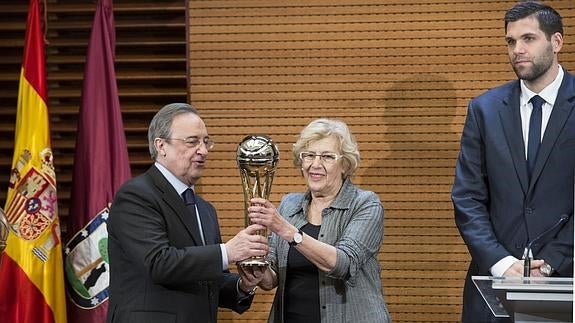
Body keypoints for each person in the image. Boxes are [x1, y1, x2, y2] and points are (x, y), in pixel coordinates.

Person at [451, 2, 574, 322]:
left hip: (566, 280)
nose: (517, 49)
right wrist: (503, 263)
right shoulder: (484, 109)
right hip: (495, 286)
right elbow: (467, 197)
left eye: (528, 39)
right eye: (510, 41)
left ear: (556, 42)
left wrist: (549, 265)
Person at [106, 103, 268, 323]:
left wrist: (243, 285)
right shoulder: (136, 196)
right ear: (161, 145)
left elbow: (206, 281)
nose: (203, 150)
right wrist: (227, 252)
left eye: (206, 142)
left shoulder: (205, 209)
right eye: (192, 142)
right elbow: (159, 263)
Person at [242, 118, 391, 322]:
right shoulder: (289, 204)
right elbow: (273, 278)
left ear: (345, 164)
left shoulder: (365, 204)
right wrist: (258, 273)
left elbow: (344, 264)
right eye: (309, 155)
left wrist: (288, 231)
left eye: (327, 157)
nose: (315, 164)